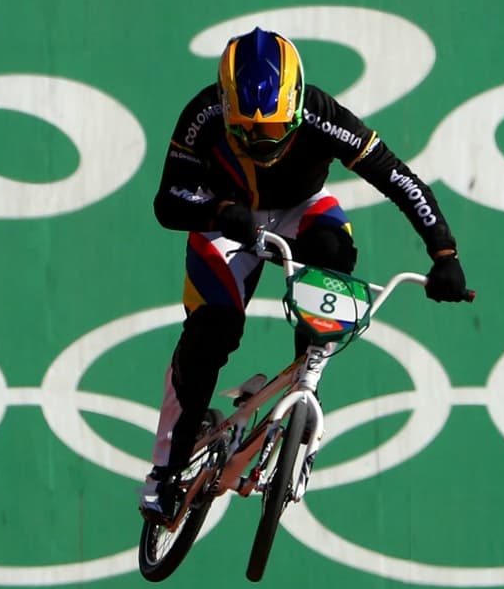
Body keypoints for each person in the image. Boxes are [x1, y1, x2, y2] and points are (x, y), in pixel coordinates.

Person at [139, 26, 470, 522]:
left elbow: (397, 176)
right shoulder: (203, 113)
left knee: (332, 249)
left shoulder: (321, 115)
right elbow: (168, 201)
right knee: (212, 332)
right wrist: (217, 212)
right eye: (246, 130)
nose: (259, 140)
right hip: (227, 217)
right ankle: (164, 473)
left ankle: (302, 391)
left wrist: (443, 253)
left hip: (300, 208)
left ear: (294, 108)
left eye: (272, 130)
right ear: (226, 109)